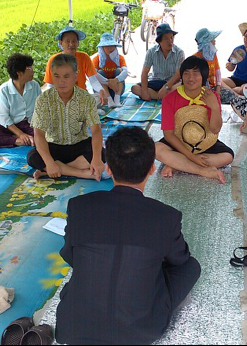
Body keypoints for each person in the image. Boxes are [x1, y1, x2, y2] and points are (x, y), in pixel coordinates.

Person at [55, 126, 201, 345]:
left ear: (109, 168)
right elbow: (180, 260)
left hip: (74, 327)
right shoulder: (166, 216)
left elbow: (70, 256)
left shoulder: (79, 206)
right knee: (192, 267)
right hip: (140, 332)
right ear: (152, 168)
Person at [155, 56, 234, 184]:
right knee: (156, 149)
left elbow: (215, 129)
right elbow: (168, 135)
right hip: (178, 140)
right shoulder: (170, 98)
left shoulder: (212, 96)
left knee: (228, 156)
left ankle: (177, 164)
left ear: (203, 76)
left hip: (204, 141)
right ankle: (202, 170)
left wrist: (214, 107)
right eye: (186, 73)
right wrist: (192, 157)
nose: (190, 78)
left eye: (195, 73)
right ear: (181, 76)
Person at [27, 54, 105, 181]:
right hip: (54, 146)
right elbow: (39, 134)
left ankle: (51, 171)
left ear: (75, 76)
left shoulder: (86, 99)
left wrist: (96, 159)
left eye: (66, 76)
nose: (61, 81)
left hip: (79, 145)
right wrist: (49, 161)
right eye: (56, 76)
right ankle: (82, 173)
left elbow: (96, 131)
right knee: (32, 156)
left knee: (101, 153)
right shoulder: (43, 99)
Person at [0, 53, 41, 148]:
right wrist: (20, 134)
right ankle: (16, 141)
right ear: (19, 73)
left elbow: (40, 108)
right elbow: (4, 119)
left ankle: (15, 139)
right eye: (29, 68)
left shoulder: (34, 85)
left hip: (30, 124)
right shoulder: (3, 91)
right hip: (10, 126)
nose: (33, 71)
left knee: (47, 137)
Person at [43, 25, 107, 106]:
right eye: (67, 41)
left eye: (74, 41)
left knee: (100, 97)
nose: (71, 44)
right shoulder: (53, 60)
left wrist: (101, 90)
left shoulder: (84, 57)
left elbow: (93, 80)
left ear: (78, 43)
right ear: (61, 43)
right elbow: (50, 85)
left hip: (81, 97)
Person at [132, 23, 185, 101]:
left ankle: (158, 95)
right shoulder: (151, 52)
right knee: (135, 88)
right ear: (159, 41)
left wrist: (166, 87)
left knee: (182, 86)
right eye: (166, 39)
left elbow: (178, 74)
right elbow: (144, 72)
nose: (170, 41)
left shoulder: (179, 52)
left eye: (171, 37)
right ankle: (163, 96)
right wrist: (144, 91)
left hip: (172, 83)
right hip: (156, 81)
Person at [91, 33, 129, 107]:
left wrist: (115, 80)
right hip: (102, 91)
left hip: (116, 89)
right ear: (102, 48)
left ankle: (116, 99)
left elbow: (125, 72)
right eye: (107, 46)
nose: (110, 48)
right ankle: (109, 100)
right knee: (100, 72)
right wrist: (108, 82)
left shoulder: (120, 58)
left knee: (119, 71)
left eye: (112, 46)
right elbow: (93, 74)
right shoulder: (96, 59)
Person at [193, 28, 222, 95]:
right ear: (206, 44)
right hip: (201, 90)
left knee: (231, 95)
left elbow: (218, 73)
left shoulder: (213, 56)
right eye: (212, 40)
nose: (215, 41)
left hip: (214, 87)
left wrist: (218, 89)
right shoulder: (195, 58)